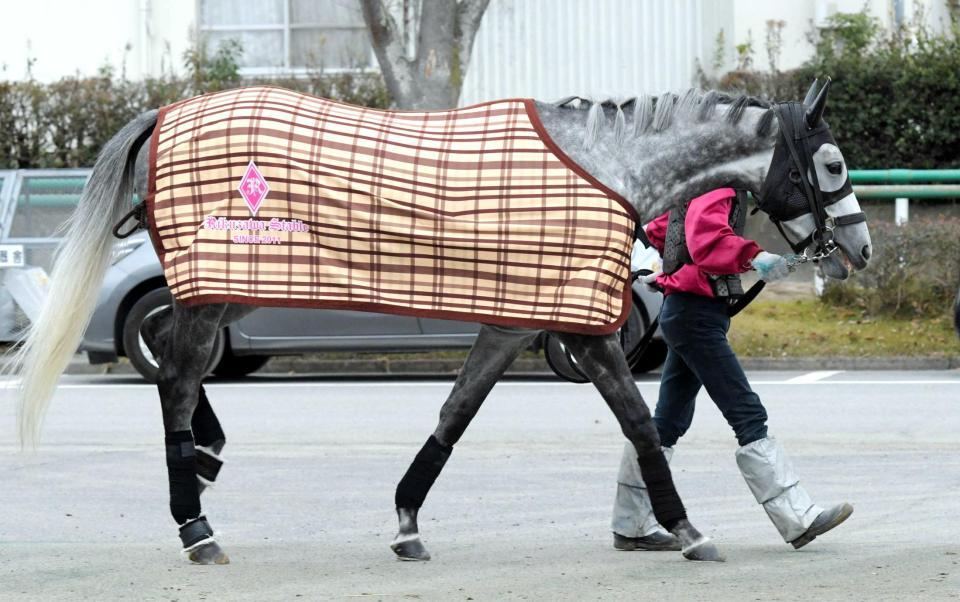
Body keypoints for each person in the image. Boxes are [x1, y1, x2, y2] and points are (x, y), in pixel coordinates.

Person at [612, 187, 852, 552]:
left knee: (667, 423)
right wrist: (754, 257)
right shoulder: (721, 186)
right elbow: (707, 241)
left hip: (687, 313)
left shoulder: (693, 188)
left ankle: (630, 525)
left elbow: (659, 231)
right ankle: (797, 517)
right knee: (746, 413)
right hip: (695, 317)